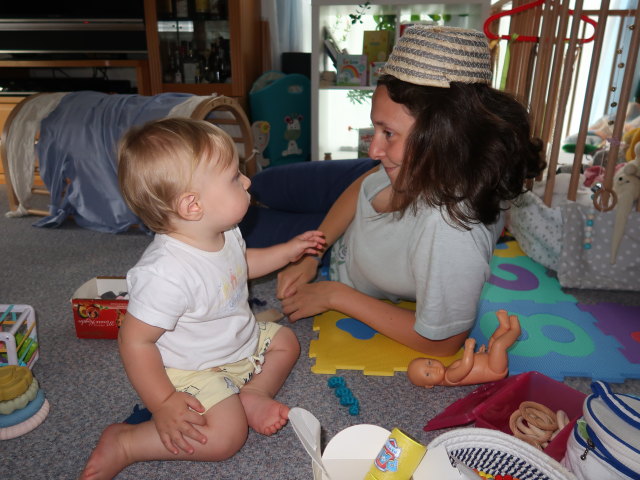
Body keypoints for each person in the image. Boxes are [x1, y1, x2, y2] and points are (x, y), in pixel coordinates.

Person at [274, 25, 545, 357]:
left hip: (348, 255)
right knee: (261, 185)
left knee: (231, 216)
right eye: (376, 127)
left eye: (388, 132)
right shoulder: (418, 163)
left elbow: (442, 342)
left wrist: (334, 295)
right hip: (346, 210)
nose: (372, 148)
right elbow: (365, 183)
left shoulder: (451, 231)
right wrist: (312, 251)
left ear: (444, 138)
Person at [80, 118, 325, 480]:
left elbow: (239, 266)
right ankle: (128, 442)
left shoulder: (225, 232)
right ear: (192, 206)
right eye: (233, 177)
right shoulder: (164, 273)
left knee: (286, 340)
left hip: (237, 342)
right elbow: (134, 340)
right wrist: (162, 402)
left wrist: (286, 251)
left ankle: (253, 392)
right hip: (196, 367)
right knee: (226, 437)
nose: (247, 181)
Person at [406, 309, 521, 387]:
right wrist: (469, 349)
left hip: (488, 361)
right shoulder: (449, 378)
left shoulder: (448, 369)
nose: (433, 369)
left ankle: (504, 327)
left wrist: (479, 355)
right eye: (428, 374)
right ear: (429, 385)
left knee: (492, 342)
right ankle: (515, 331)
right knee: (498, 346)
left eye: (429, 363)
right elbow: (466, 367)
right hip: (495, 369)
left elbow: (473, 366)